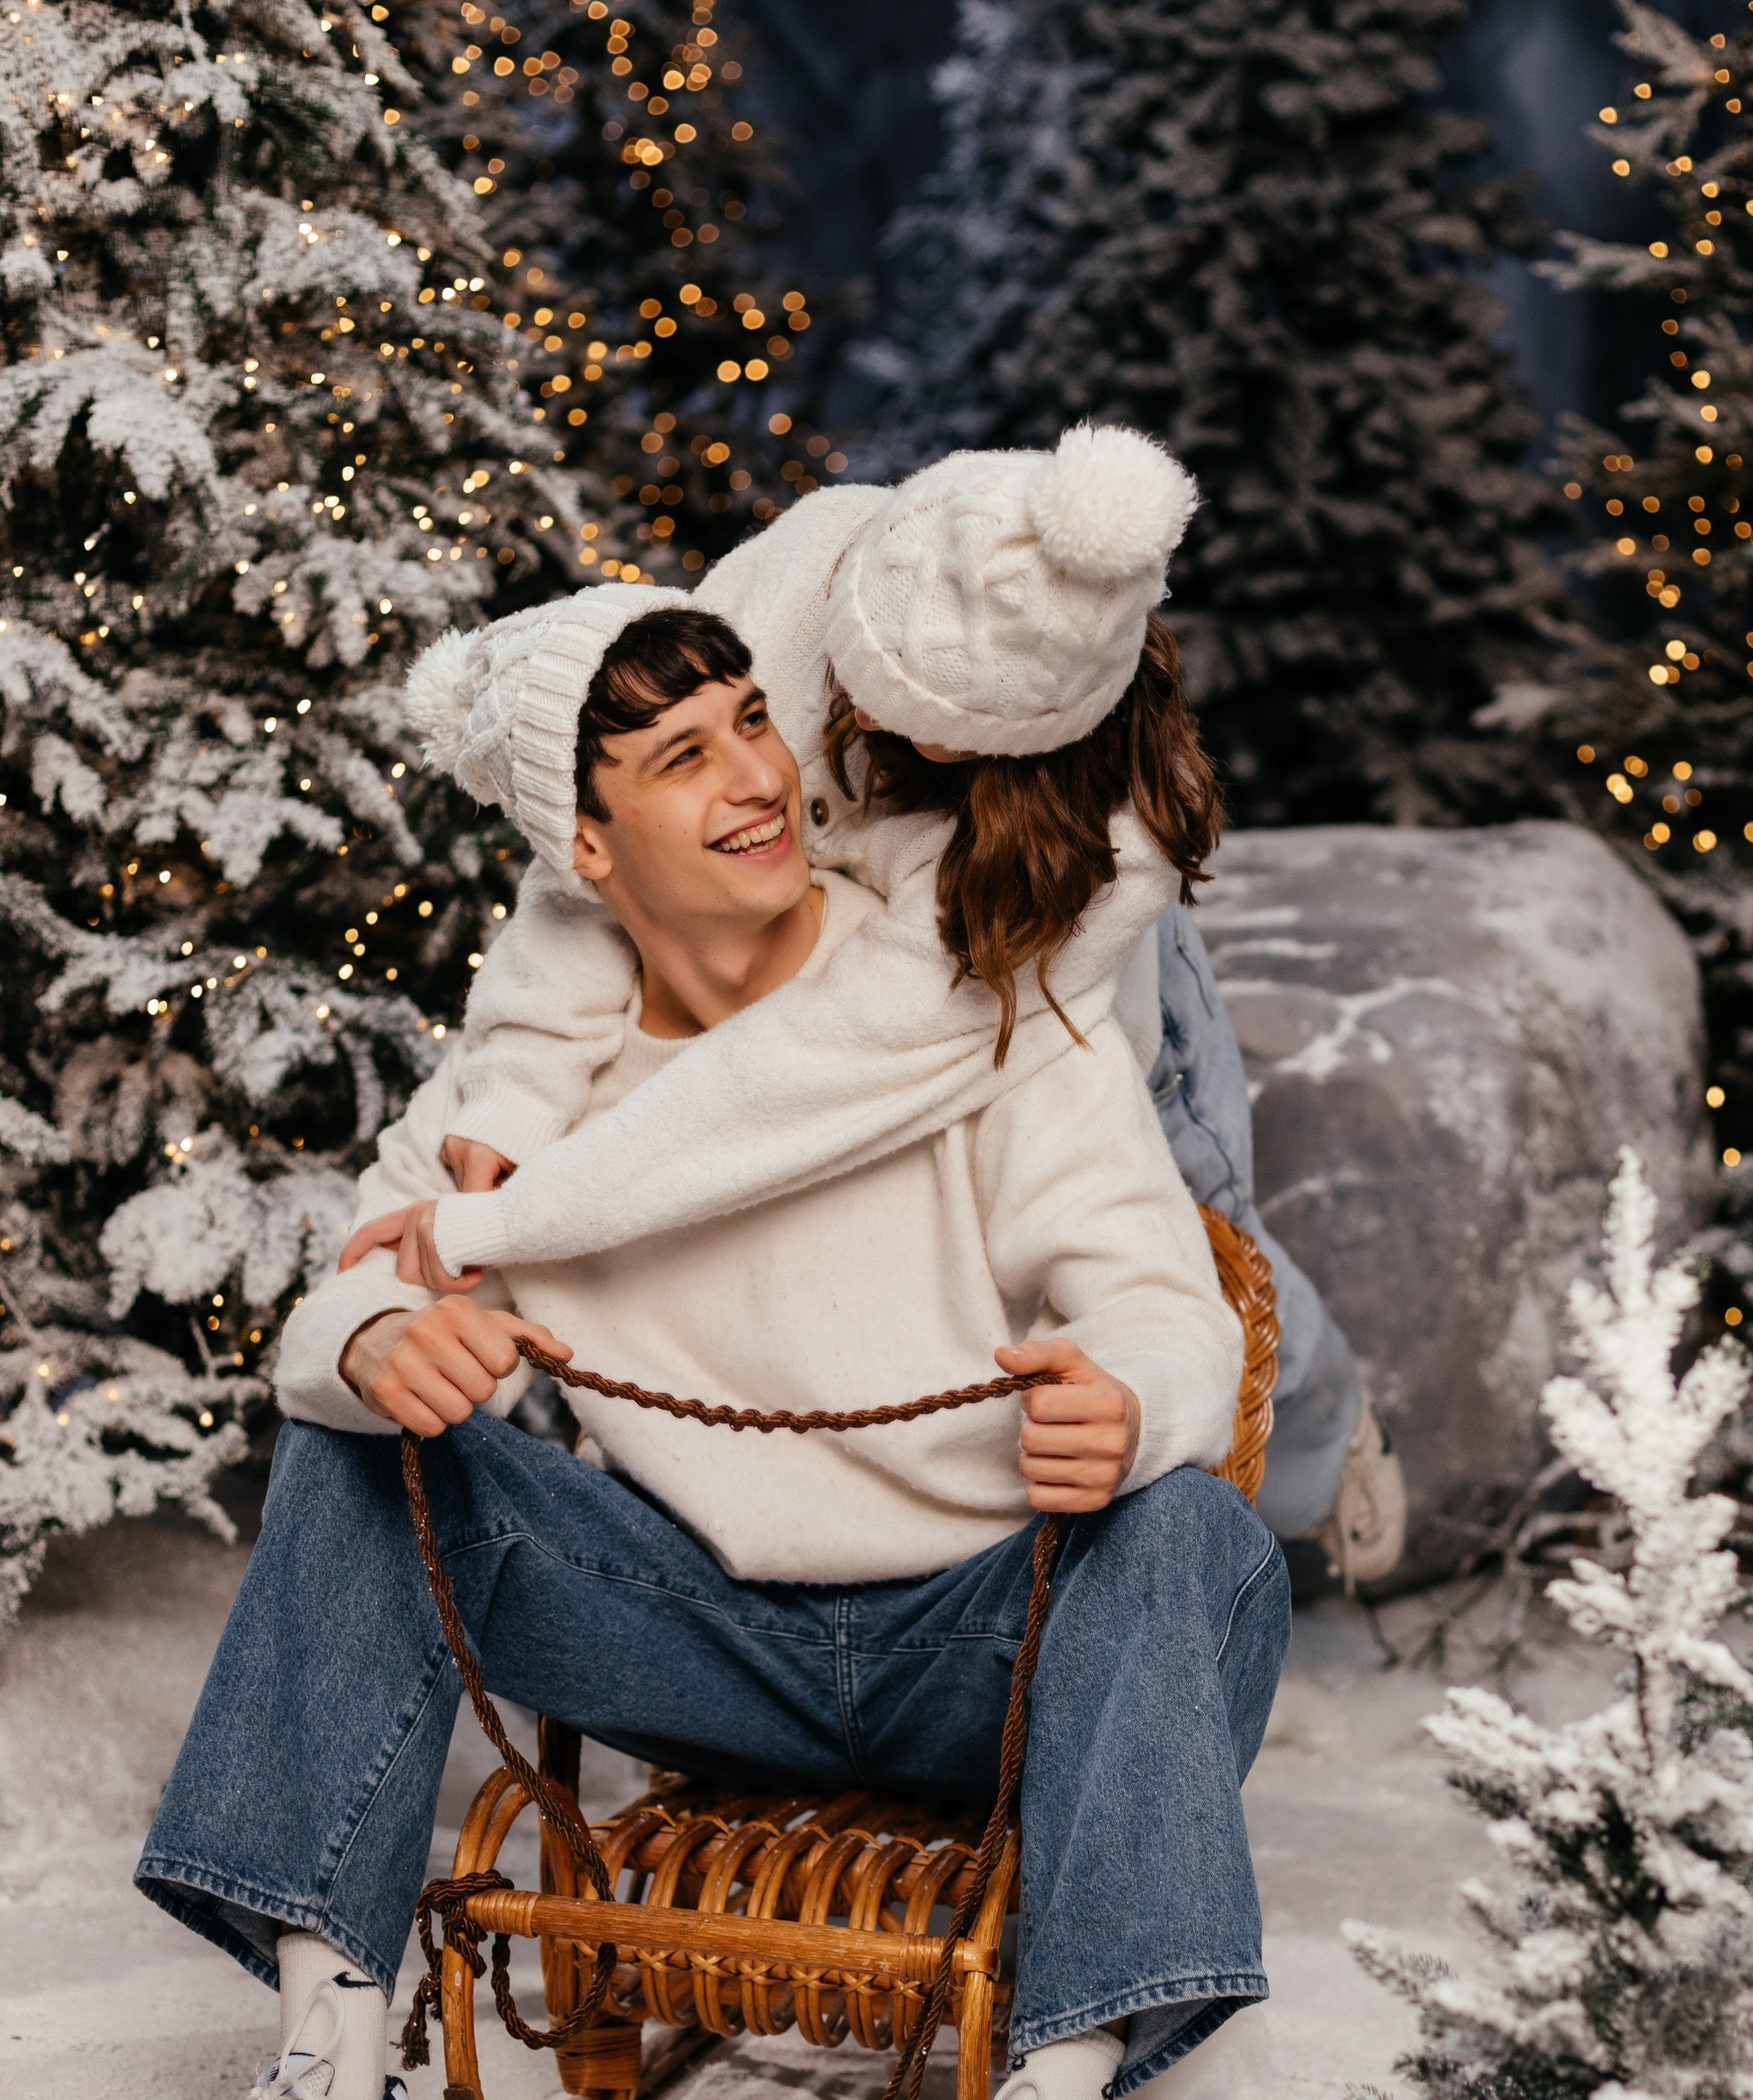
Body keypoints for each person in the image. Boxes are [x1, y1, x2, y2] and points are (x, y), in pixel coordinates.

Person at [88, 588, 1292, 2100]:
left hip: (986, 1629)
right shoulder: (534, 1098)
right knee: (360, 1436)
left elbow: (1163, 1304)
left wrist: (1128, 1399)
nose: (754, 774)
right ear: (587, 843)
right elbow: (345, 1289)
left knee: (1194, 1529)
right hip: (698, 1625)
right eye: (680, 754)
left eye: (751, 719)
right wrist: (384, 1340)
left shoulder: (974, 995)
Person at [359, 432, 1407, 1592]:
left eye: (964, 741)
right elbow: (590, 853)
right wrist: (520, 1086)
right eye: (892, 709)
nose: (917, 752)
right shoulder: (796, 575)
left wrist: (504, 1227)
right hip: (824, 947)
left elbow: (822, 1070)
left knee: (1205, 1260)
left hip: (1028, 966)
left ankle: (1330, 1446)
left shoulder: (1109, 848)